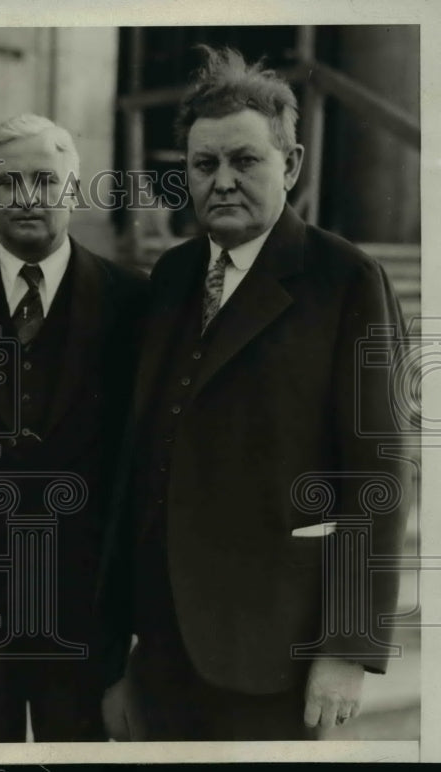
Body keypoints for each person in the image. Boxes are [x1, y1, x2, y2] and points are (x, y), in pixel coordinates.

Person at [99, 46, 411, 741]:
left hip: (275, 655)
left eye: (246, 161)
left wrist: (347, 650)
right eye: (204, 165)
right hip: (162, 649)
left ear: (291, 164)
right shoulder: (173, 277)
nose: (223, 181)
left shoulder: (347, 280)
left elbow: (380, 475)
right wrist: (117, 649)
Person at [0, 114, 148, 741]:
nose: (27, 197)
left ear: (74, 192)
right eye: (9, 183)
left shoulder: (133, 302)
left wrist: (136, 623)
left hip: (87, 614)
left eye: (45, 181)